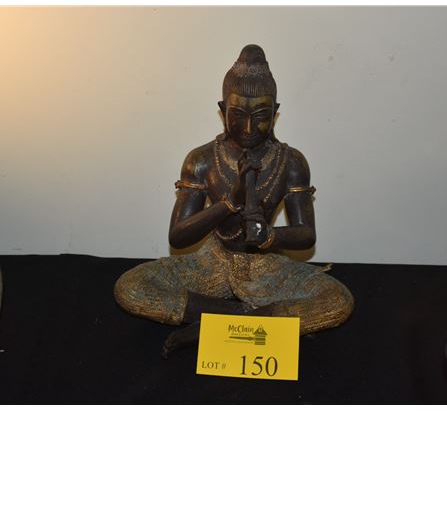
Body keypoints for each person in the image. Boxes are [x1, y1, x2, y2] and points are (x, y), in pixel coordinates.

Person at [114, 45, 353, 355]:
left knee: (337, 301)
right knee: (131, 288)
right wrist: (229, 202)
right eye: (237, 115)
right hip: (212, 262)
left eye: (261, 116)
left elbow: (306, 235)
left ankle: (209, 325)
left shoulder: (291, 162)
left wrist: (269, 236)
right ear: (222, 109)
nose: (249, 127)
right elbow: (178, 236)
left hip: (264, 266)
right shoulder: (201, 160)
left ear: (275, 112)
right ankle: (247, 318)